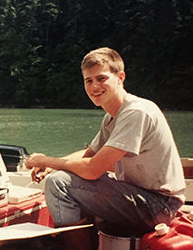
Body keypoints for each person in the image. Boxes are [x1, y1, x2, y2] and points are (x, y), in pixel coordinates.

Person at [25, 47, 186, 237]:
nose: (94, 87)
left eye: (101, 79)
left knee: (58, 184)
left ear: (120, 77)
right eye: (89, 81)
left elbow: (93, 170)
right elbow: (89, 154)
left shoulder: (136, 112)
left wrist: (46, 161)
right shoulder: (112, 116)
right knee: (63, 176)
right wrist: (55, 165)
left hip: (158, 205)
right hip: (144, 198)